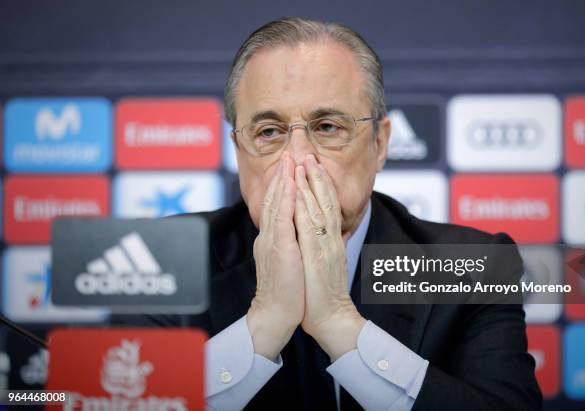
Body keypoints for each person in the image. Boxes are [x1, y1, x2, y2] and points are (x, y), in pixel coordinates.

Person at [124, 17, 542, 410]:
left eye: (327, 127)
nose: (300, 158)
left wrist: (341, 326)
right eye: (269, 132)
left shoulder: (472, 266)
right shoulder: (160, 259)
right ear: (238, 150)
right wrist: (262, 326)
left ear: (379, 144)